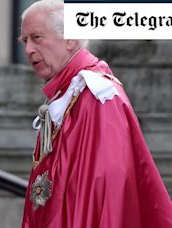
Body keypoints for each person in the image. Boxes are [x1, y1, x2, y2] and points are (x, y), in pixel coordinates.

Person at [19, 1, 172, 227]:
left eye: (36, 37)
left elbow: (109, 196)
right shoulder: (68, 95)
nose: (28, 49)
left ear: (70, 39)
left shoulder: (100, 96)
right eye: (24, 41)